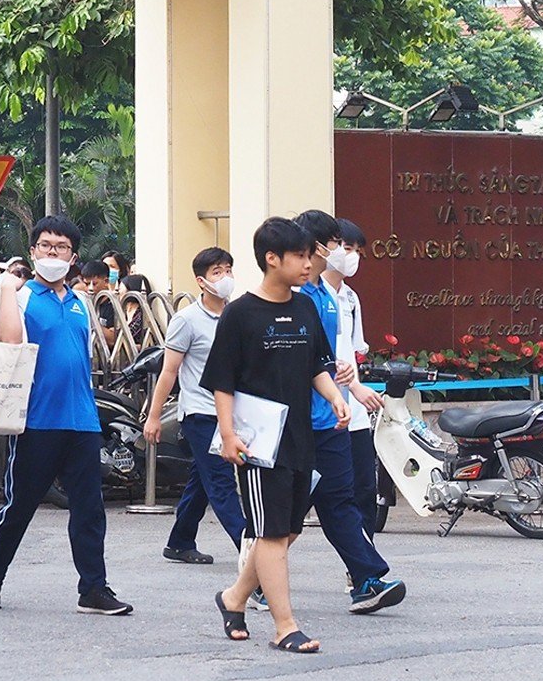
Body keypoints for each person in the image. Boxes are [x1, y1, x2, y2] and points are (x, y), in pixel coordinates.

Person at [208, 217, 353, 654]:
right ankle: (284, 625)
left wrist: (335, 397)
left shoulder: (306, 307)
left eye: (311, 256)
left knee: (288, 531)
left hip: (300, 435)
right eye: (302, 256)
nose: (310, 264)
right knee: (270, 533)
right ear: (273, 259)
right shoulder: (240, 313)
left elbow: (315, 365)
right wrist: (229, 435)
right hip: (258, 442)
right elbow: (222, 381)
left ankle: (233, 598)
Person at [0, 215, 132, 616]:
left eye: (60, 247)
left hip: (81, 420)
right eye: (45, 246)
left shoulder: (80, 302)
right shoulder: (23, 296)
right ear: (33, 252)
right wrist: (8, 286)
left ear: (73, 256)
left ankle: (93, 588)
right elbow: (10, 342)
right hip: (37, 420)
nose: (52, 253)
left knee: (89, 509)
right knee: (20, 505)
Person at [292, 209, 405, 615]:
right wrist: (346, 388)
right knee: (287, 517)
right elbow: (304, 362)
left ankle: (365, 580)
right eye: (338, 243)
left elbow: (330, 358)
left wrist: (346, 388)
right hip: (296, 423)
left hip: (331, 419)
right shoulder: (295, 298)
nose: (343, 251)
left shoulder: (329, 297)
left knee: (341, 501)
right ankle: (247, 585)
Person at [144, 247, 246, 564]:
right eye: (217, 272)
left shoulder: (238, 315)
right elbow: (169, 371)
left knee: (203, 480)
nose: (225, 277)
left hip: (232, 412)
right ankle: (253, 551)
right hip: (201, 413)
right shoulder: (186, 320)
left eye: (228, 269)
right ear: (201, 281)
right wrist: (154, 416)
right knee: (221, 482)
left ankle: (179, 541)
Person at [329, 218, 385, 535]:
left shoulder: (350, 299)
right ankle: (254, 572)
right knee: (300, 500)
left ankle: (365, 570)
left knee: (364, 490)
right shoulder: (309, 297)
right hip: (321, 413)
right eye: (346, 248)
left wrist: (356, 387)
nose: (352, 257)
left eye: (357, 251)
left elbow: (352, 352)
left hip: (354, 413)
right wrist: (353, 386)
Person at [79, 261, 117, 347]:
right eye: (87, 284)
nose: (90, 288)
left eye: (94, 283)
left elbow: (112, 340)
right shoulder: (83, 303)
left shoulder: (113, 305)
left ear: (106, 281)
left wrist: (91, 321)